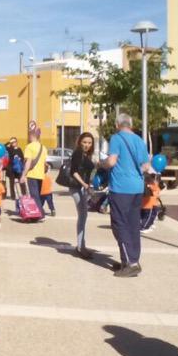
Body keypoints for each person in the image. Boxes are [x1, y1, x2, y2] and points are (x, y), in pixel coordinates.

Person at [99, 113, 150, 277]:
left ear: (117, 125)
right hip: (137, 187)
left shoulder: (116, 138)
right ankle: (131, 258)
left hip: (121, 188)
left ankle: (131, 263)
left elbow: (112, 161)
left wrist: (101, 163)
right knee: (133, 224)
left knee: (119, 224)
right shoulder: (139, 140)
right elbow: (146, 166)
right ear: (131, 124)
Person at [67, 133, 97, 258]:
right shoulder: (78, 153)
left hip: (82, 188)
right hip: (76, 187)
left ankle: (81, 245)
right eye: (84, 142)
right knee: (83, 215)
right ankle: (80, 247)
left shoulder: (86, 154)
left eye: (89, 143)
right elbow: (74, 172)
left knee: (83, 216)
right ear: (80, 142)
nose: (87, 145)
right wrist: (85, 184)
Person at [20, 124, 48, 219]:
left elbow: (28, 162)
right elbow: (44, 163)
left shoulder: (29, 147)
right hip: (41, 174)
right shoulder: (43, 148)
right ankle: (38, 213)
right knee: (37, 195)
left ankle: (40, 214)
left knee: (34, 195)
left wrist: (23, 175)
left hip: (32, 174)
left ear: (31, 135)